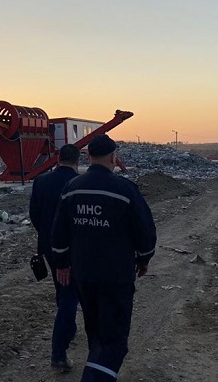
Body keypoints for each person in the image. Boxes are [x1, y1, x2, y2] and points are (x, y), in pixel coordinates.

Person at [51, 134, 157, 382]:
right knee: (115, 342)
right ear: (113, 157)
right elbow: (145, 230)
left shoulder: (72, 189)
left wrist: (63, 262)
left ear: (88, 157)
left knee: (96, 332)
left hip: (84, 276)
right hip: (116, 276)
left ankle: (97, 367)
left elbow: (59, 232)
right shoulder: (124, 190)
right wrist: (144, 259)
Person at [29, 144, 81, 372]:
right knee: (70, 296)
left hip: (49, 248)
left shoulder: (41, 182)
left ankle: (69, 328)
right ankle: (59, 353)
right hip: (74, 249)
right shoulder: (80, 184)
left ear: (58, 158)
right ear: (77, 160)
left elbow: (34, 215)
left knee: (62, 289)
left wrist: (48, 234)